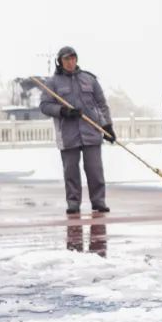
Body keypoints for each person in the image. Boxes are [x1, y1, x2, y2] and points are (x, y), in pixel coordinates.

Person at [38, 46, 115, 215]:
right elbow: (44, 106)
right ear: (60, 62)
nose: (70, 62)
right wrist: (63, 111)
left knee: (95, 170)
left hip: (91, 132)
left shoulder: (89, 79)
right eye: (66, 59)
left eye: (73, 58)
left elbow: (101, 105)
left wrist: (107, 126)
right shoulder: (52, 83)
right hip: (68, 134)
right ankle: (73, 202)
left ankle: (98, 201)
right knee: (71, 171)